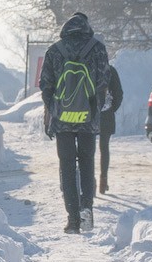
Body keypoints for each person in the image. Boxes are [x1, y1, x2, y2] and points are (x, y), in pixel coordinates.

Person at [39, 12, 110, 234]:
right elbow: (103, 82)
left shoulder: (55, 51)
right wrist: (94, 108)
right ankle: (86, 207)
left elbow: (46, 85)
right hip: (88, 120)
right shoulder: (97, 49)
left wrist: (55, 108)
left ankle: (72, 218)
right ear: (86, 27)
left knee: (67, 167)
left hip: (63, 121)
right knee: (87, 163)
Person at [97, 62, 124, 194]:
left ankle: (89, 181)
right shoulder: (110, 70)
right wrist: (112, 109)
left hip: (88, 114)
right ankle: (103, 180)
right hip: (106, 113)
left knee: (86, 149)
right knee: (104, 147)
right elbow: (118, 92)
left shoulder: (87, 66)